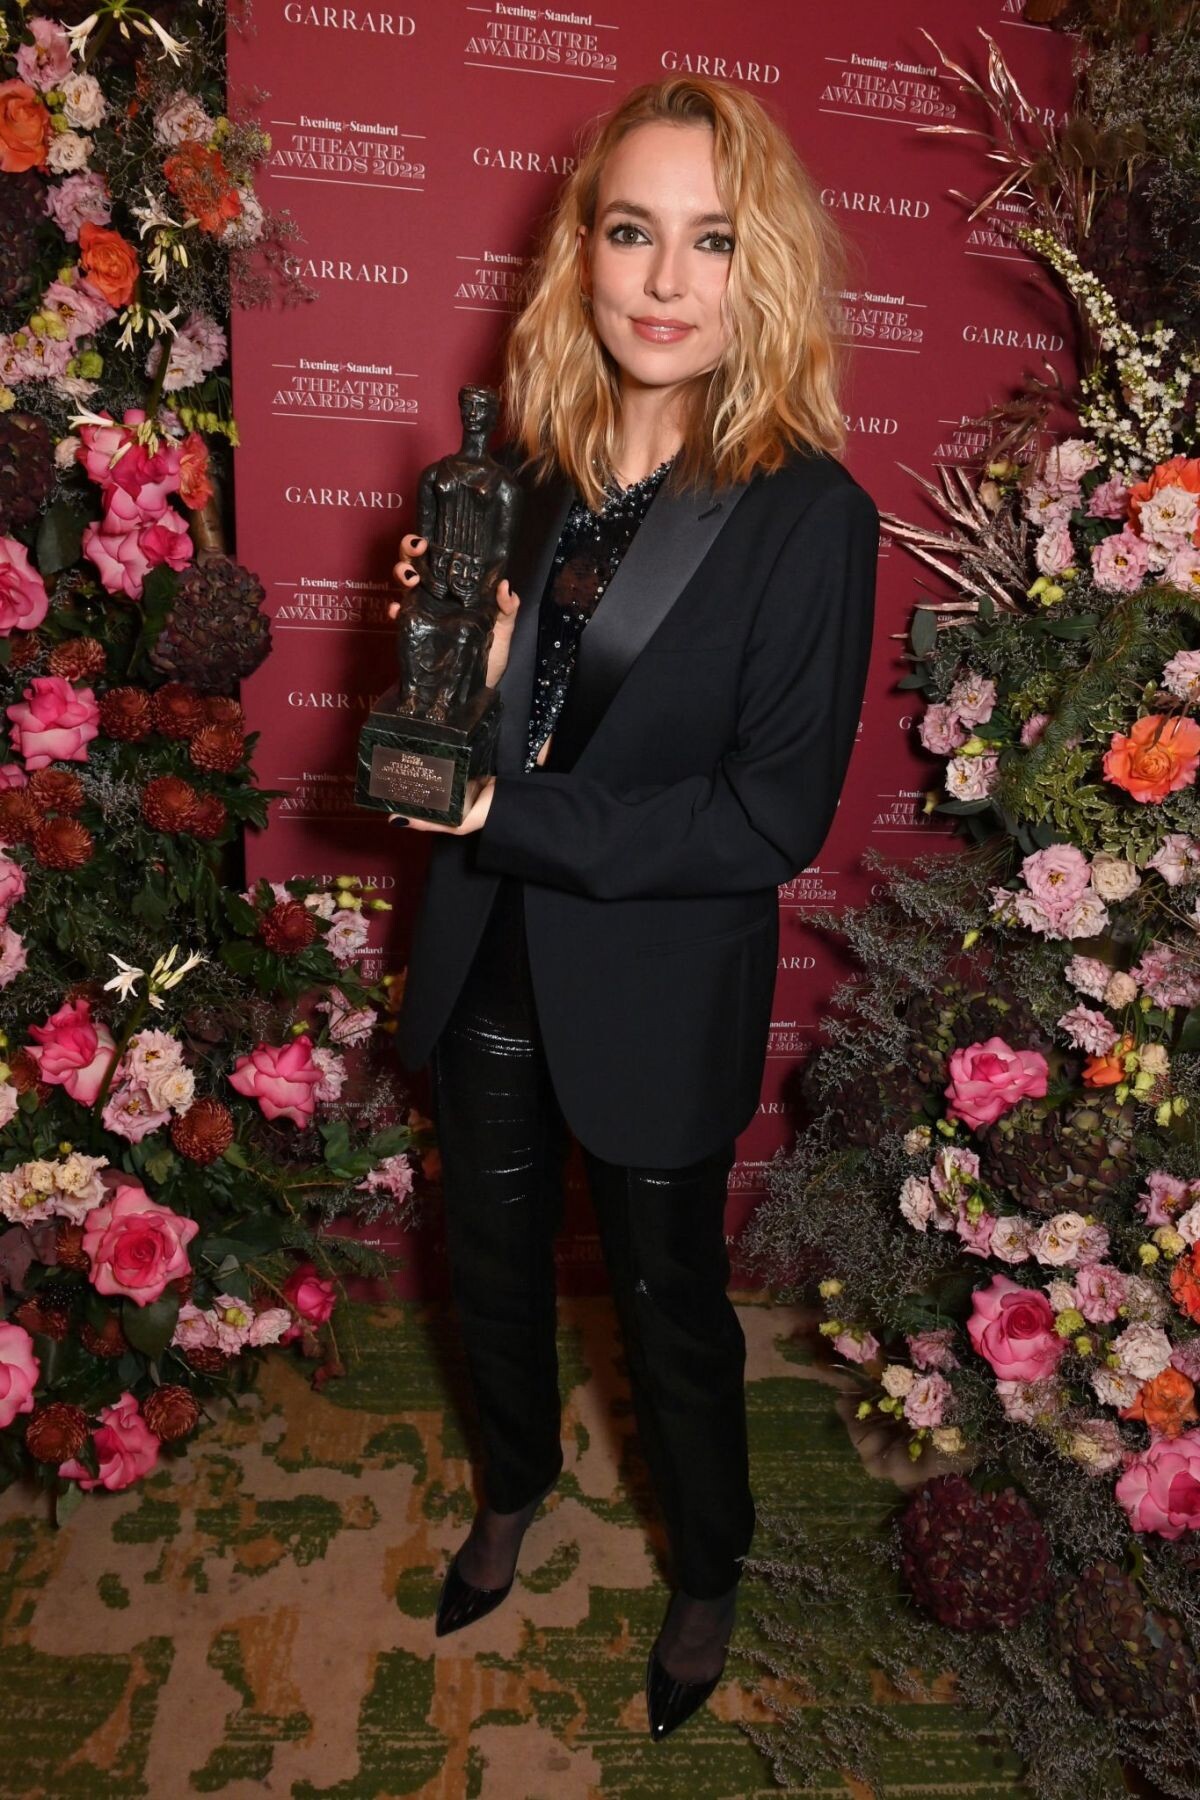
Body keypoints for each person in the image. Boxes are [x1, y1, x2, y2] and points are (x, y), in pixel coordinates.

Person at [388, 74, 879, 1740]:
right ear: (580, 254)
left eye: (713, 240)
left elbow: (768, 814)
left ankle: (708, 1566)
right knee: (492, 1267)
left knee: (671, 1312)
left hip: (655, 984)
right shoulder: (516, 474)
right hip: (486, 951)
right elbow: (484, 737)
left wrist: (500, 807)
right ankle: (513, 1484)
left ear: (766, 268)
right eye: (631, 231)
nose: (667, 280)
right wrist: (460, 658)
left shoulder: (810, 513)